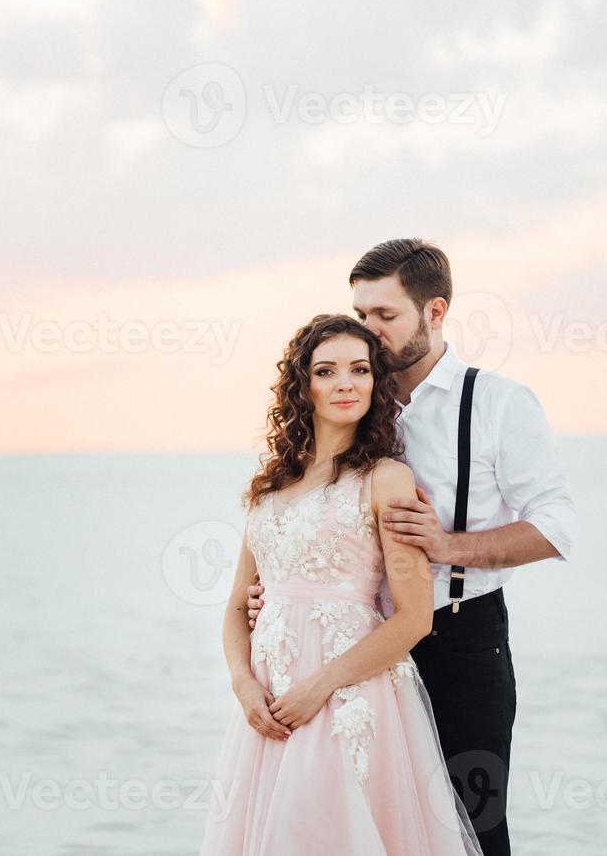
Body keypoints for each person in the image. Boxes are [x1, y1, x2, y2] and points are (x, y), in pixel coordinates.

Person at [247, 239, 578, 856]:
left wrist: (450, 545)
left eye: (386, 316)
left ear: (435, 311)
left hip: (459, 641)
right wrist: (281, 589)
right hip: (346, 648)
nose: (368, 333)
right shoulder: (355, 396)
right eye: (362, 313)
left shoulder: (498, 403)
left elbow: (556, 526)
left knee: (471, 828)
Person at [198, 313, 483, 855]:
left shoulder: (386, 480)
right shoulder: (269, 488)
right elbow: (238, 605)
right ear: (303, 385)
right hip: (269, 699)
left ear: (377, 383)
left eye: (360, 369)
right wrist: (242, 685)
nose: (346, 383)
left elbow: (414, 617)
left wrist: (318, 688)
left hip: (349, 694)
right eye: (327, 371)